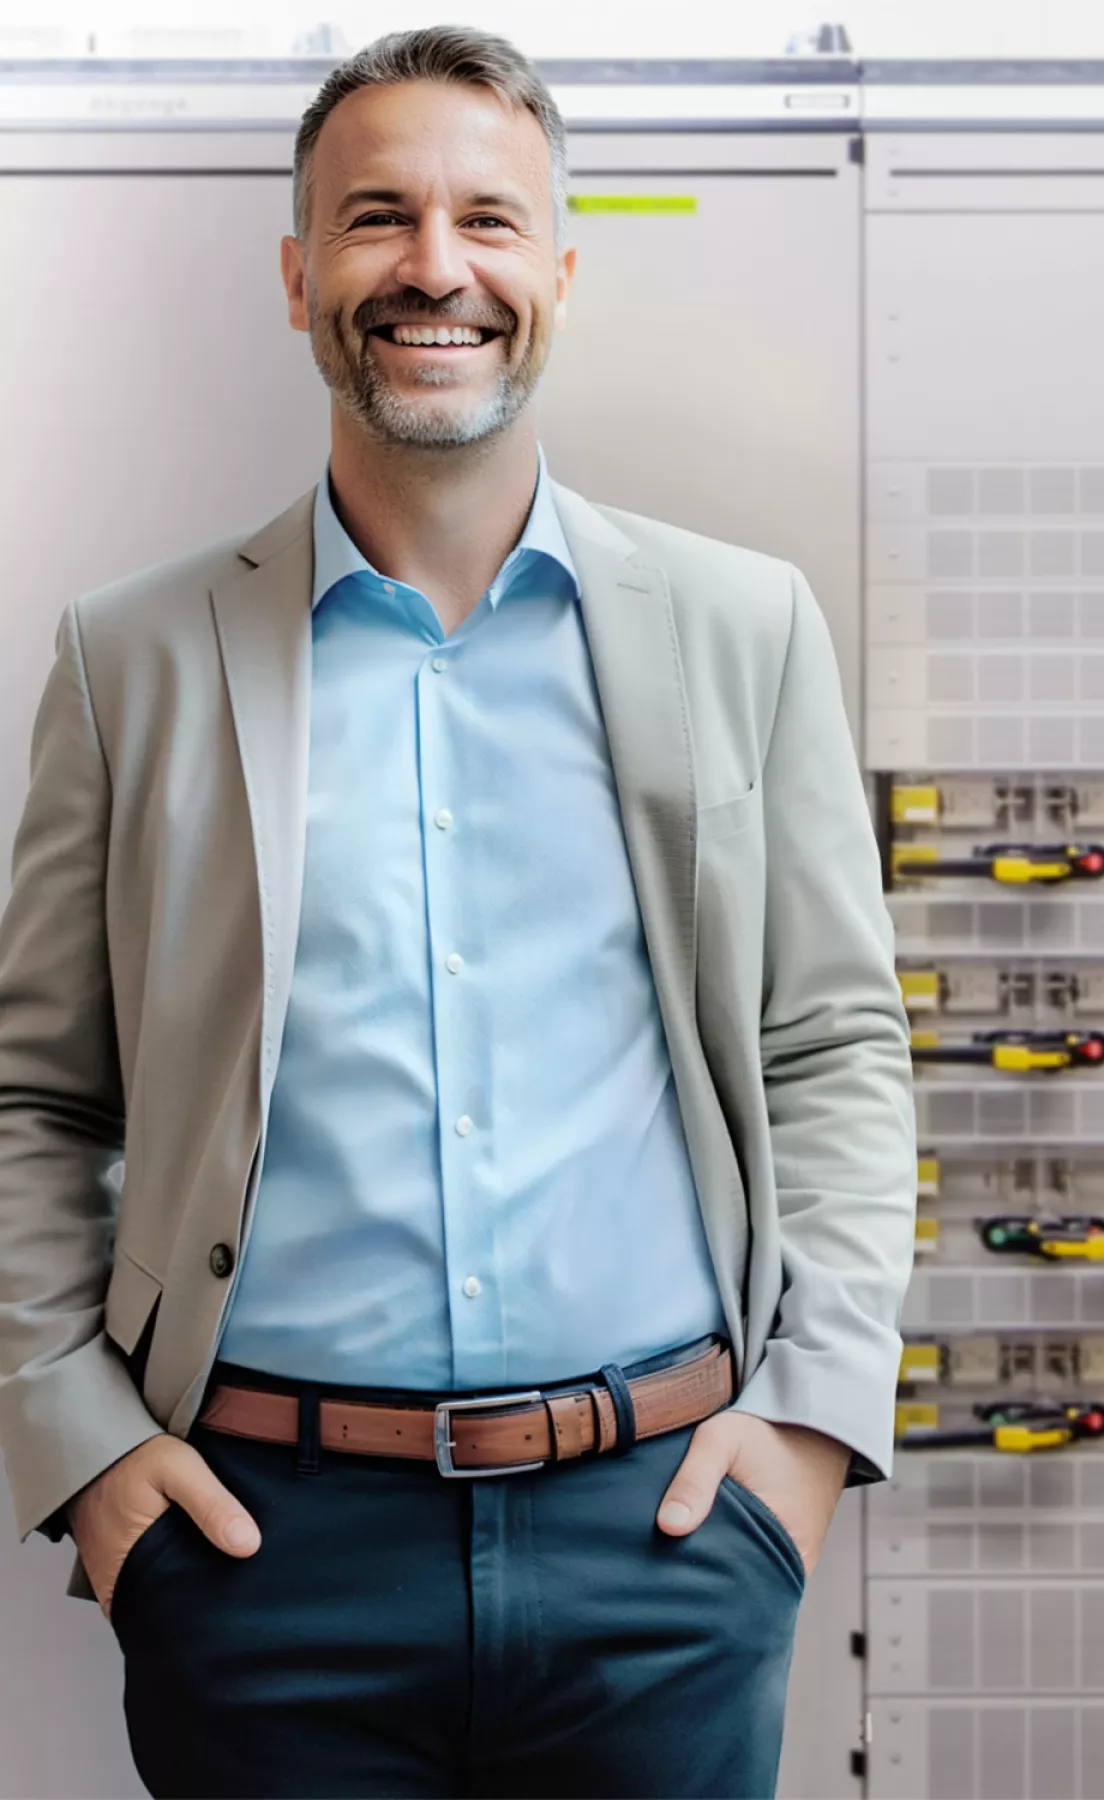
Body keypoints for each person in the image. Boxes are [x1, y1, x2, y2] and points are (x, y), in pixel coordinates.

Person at [0, 23, 916, 1800]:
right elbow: (36, 1103)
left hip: (662, 1544)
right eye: (377, 218)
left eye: (489, 221)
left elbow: (834, 1048)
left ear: (559, 272)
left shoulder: (743, 631)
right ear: (298, 277)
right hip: (263, 1563)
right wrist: (92, 1462)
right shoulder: (133, 661)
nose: (436, 266)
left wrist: (804, 1436)